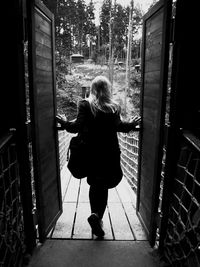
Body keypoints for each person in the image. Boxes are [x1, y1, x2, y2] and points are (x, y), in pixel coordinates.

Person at [56, 75, 141, 238]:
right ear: (108, 89)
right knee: (102, 185)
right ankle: (97, 217)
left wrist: (65, 122)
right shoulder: (114, 107)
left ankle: (96, 215)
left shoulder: (85, 104)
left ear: (92, 89)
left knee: (95, 184)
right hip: (109, 153)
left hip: (89, 153)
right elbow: (121, 127)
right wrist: (132, 124)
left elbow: (75, 128)